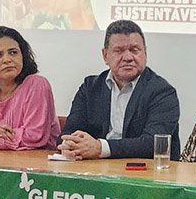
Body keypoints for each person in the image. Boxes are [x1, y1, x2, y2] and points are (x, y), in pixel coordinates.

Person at [60, 20, 180, 160]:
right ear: (105, 56)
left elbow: (153, 144)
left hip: (144, 170)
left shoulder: (162, 92)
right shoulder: (90, 87)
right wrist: (70, 145)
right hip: (95, 168)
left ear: (145, 53)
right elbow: (70, 131)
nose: (128, 58)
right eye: (119, 51)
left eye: (134, 50)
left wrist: (101, 148)